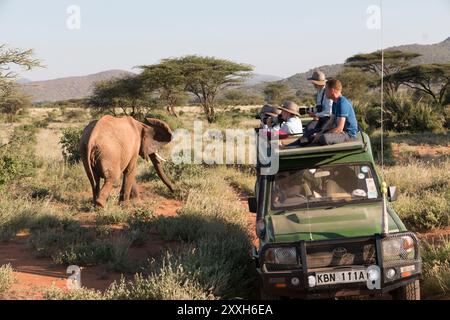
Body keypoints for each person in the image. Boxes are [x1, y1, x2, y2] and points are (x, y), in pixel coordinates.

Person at [311, 79, 358, 145]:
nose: (325, 93)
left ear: (332, 90)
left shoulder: (342, 103)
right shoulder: (335, 103)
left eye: (326, 90)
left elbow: (339, 129)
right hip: (341, 133)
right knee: (312, 133)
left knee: (323, 138)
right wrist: (320, 133)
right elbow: (330, 124)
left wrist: (322, 135)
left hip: (348, 135)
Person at [304, 71, 333, 136]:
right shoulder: (319, 92)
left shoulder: (327, 92)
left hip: (328, 120)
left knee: (317, 134)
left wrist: (316, 115)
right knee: (308, 130)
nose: (313, 84)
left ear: (316, 83)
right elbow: (320, 107)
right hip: (321, 119)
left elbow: (329, 112)